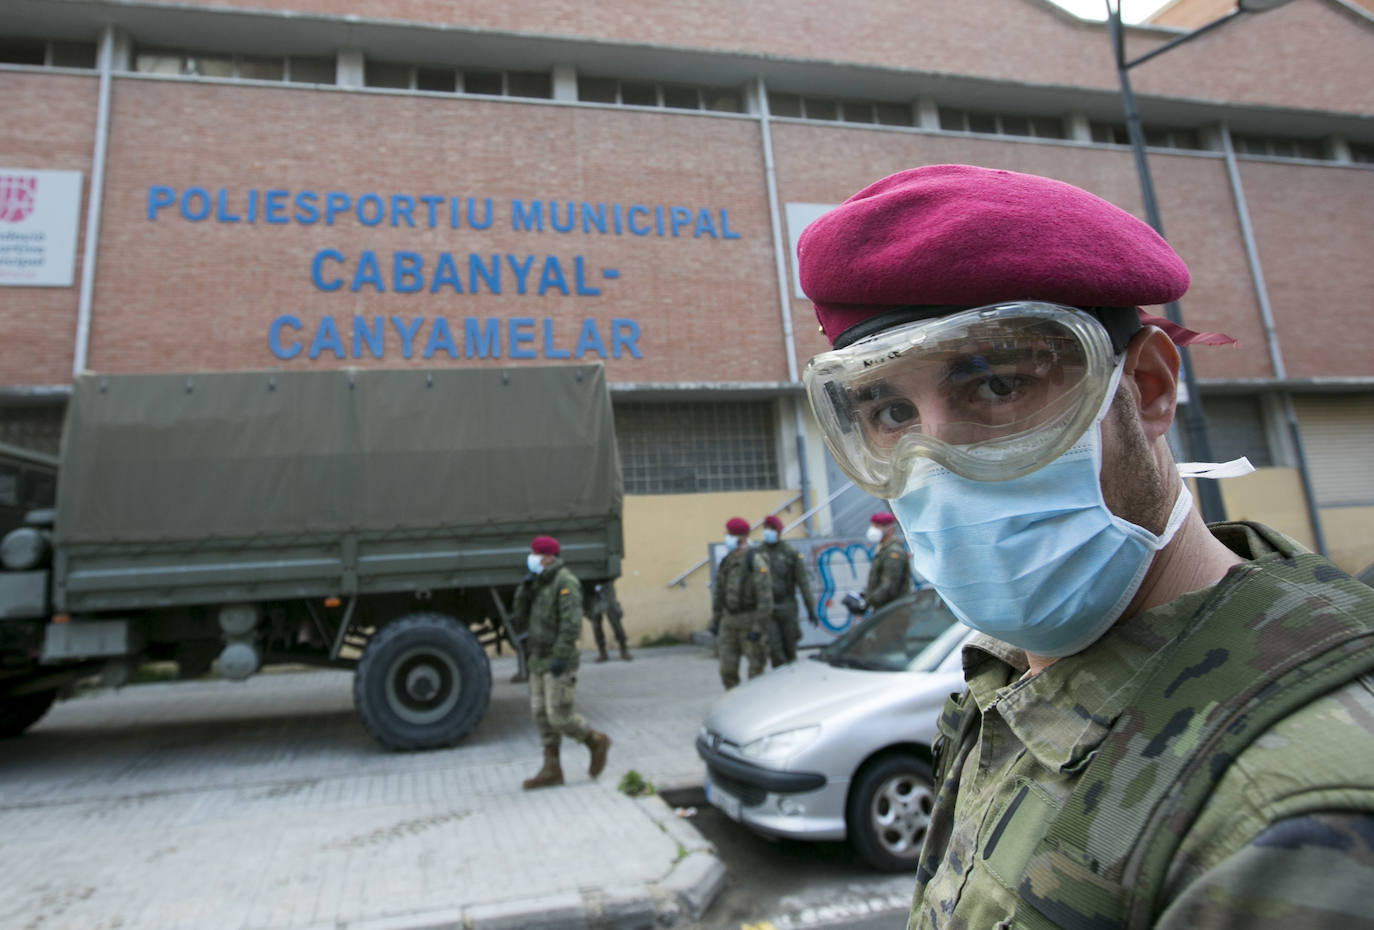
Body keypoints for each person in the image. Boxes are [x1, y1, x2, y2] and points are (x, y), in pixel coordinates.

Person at [796, 164, 1374, 928]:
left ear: (1147, 390)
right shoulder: (1011, 682)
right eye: (892, 411)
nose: (937, 466)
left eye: (998, 387)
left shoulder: (1291, 825)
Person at [512, 535, 612, 790]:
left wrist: (560, 655)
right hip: (537, 659)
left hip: (558, 659)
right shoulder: (537, 582)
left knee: (559, 716)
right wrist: (524, 588)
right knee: (540, 715)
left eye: (535, 554)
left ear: (548, 557)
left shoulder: (565, 581)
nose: (531, 558)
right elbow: (519, 615)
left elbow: (571, 624)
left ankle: (595, 741)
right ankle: (551, 769)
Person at [710, 516, 773, 689]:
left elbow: (765, 598)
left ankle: (755, 708)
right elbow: (719, 593)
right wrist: (716, 619)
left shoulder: (755, 561)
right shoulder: (727, 561)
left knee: (756, 670)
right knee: (727, 670)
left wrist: (758, 628)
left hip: (749, 620)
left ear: (742, 537)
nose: (727, 538)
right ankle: (732, 704)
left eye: (731, 534)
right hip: (729, 621)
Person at [757, 514, 820, 665]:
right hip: (768, 609)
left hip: (787, 607)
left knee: (790, 649)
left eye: (772, 529)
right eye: (766, 528)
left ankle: (793, 683)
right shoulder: (758, 552)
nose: (768, 532)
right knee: (774, 650)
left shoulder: (789, 553)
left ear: (779, 531)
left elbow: (803, 583)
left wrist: (811, 609)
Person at [860, 511, 909, 613]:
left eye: (877, 526)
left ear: (890, 530)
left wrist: (867, 602)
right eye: (873, 526)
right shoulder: (883, 549)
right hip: (885, 611)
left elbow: (889, 586)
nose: (873, 530)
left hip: (894, 612)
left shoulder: (893, 552)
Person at [584, 580, 632, 662]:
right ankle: (602, 652)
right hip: (591, 593)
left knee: (615, 623)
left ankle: (623, 649)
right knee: (596, 625)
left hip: (606, 589)